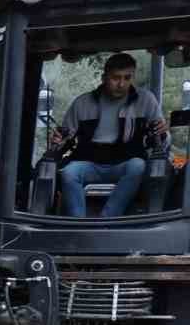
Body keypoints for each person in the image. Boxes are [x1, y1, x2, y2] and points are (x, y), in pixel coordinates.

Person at [50, 52, 168, 217]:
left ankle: (106, 218)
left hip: (125, 162)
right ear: (104, 77)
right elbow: (64, 138)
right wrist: (57, 140)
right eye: (116, 78)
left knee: (138, 165)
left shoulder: (146, 100)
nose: (121, 84)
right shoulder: (82, 103)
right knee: (69, 172)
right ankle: (79, 223)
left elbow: (162, 141)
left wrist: (162, 133)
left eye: (127, 78)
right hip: (89, 162)